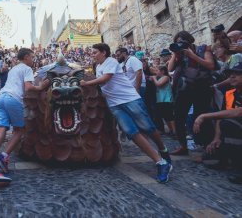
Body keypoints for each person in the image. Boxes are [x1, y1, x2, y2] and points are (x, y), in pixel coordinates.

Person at [81, 43, 172, 183]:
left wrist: (87, 84)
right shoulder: (98, 67)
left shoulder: (110, 61)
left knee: (147, 127)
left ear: (104, 52)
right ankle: (160, 162)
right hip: (115, 105)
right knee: (132, 133)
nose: (92, 54)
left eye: (94, 52)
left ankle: (163, 149)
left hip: (130, 99)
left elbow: (106, 79)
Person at [0, 48, 49, 183]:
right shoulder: (27, 69)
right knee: (19, 130)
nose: (33, 59)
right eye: (32, 57)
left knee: (1, 131)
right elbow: (29, 87)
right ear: (25, 57)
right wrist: (41, 87)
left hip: (1, 98)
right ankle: (4, 156)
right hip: (13, 99)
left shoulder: (14, 68)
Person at [193, 62, 242, 184]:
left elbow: (238, 112)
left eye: (238, 74)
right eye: (231, 74)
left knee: (228, 125)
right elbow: (222, 115)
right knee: (210, 159)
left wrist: (204, 116)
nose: (232, 76)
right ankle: (223, 157)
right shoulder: (231, 93)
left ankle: (238, 167)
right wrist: (216, 138)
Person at [168, 31, 215, 155]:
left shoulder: (203, 48)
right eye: (177, 42)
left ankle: (205, 145)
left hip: (202, 89)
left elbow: (210, 65)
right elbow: (170, 69)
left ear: (189, 40)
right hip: (184, 90)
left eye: (182, 41)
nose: (180, 44)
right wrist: (175, 53)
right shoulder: (179, 55)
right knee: (178, 117)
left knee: (200, 117)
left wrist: (192, 55)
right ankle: (183, 146)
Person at [150, 66, 176, 136]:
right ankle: (171, 130)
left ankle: (175, 131)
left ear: (163, 71)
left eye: (158, 71)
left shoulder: (166, 77)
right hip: (161, 99)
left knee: (170, 116)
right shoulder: (160, 78)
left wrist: (154, 78)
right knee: (165, 116)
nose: (156, 72)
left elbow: (159, 84)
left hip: (166, 99)